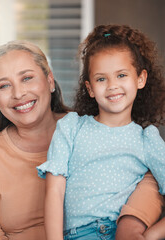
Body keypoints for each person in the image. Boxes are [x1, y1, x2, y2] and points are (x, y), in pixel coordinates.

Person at [37, 24, 165, 240]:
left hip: (119, 233)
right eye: (101, 79)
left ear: (140, 79)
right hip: (77, 235)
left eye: (122, 75)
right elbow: (54, 191)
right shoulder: (72, 127)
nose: (112, 85)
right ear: (90, 88)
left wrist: (152, 235)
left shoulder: (146, 138)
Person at [0, 40, 70, 239]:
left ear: (50, 81)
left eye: (27, 78)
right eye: (4, 86)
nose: (18, 93)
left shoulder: (87, 130)